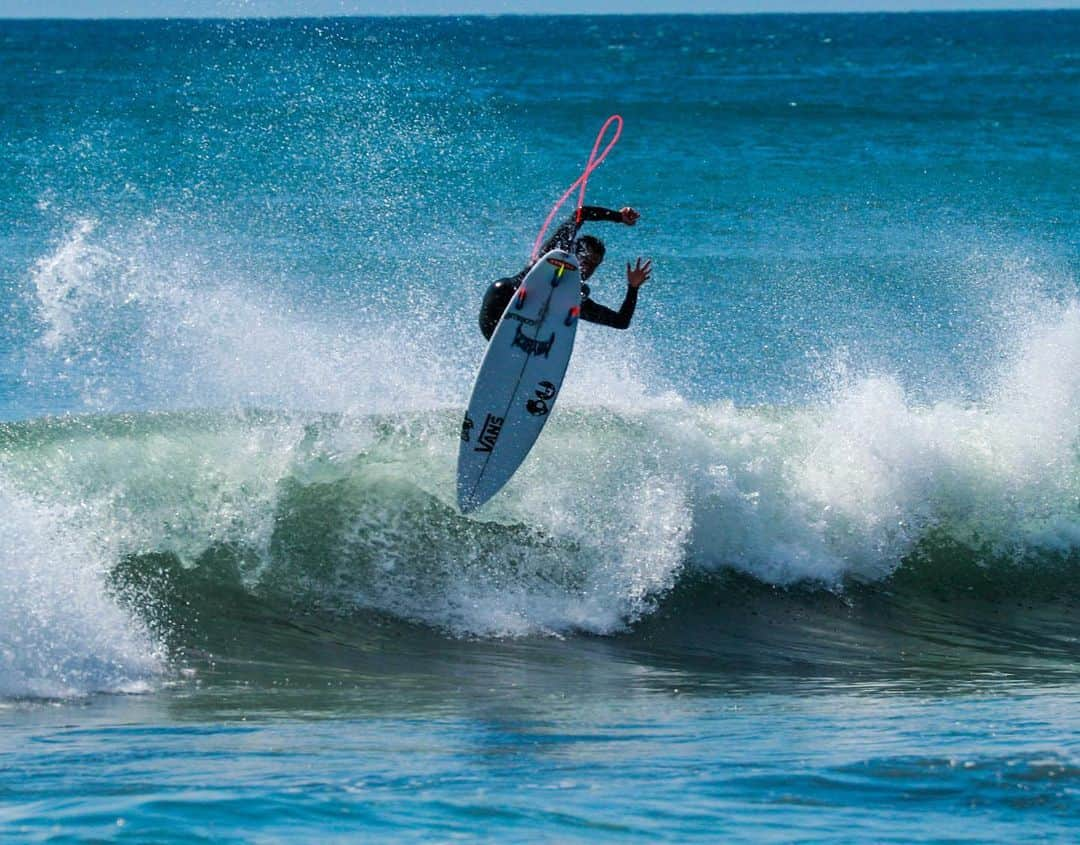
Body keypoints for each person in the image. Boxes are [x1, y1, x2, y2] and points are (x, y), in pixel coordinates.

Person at [478, 205, 652, 340]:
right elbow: (581, 213)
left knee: (579, 296)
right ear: (574, 252)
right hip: (501, 303)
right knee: (505, 286)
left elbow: (621, 322)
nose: (589, 268)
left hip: (527, 327)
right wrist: (618, 216)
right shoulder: (554, 251)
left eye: (594, 265)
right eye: (586, 260)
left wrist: (633, 288)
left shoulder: (574, 298)